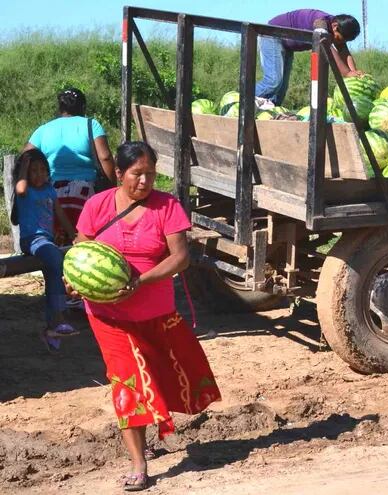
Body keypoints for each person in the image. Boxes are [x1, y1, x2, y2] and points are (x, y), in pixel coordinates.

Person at [66, 141, 221, 491]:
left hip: (156, 311)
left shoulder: (167, 206)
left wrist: (142, 280)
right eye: (137, 174)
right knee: (127, 381)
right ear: (119, 174)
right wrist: (73, 282)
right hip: (107, 314)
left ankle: (150, 434)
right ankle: (139, 463)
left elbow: (180, 257)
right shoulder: (97, 205)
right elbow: (80, 250)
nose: (145, 181)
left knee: (160, 375)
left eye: (151, 173)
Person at [24, 87, 116, 246]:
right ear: (83, 107)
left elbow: (26, 156)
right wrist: (111, 190)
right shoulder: (91, 125)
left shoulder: (44, 129)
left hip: (52, 191)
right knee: (84, 240)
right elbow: (105, 157)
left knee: (56, 240)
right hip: (84, 192)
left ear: (60, 108)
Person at [12, 149, 79, 352]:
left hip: (46, 241)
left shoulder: (49, 189)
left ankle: (53, 327)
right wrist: (23, 167)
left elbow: (60, 214)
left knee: (52, 273)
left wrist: (75, 236)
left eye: (42, 169)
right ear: (25, 173)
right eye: (34, 171)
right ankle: (59, 316)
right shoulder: (25, 191)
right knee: (54, 259)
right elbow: (21, 189)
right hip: (31, 240)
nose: (39, 174)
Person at [256, 9, 364, 105]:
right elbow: (327, 47)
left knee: (280, 93)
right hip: (271, 35)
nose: (338, 42)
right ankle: (241, 99)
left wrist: (354, 73)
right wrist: (347, 73)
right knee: (273, 82)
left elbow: (343, 51)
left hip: (286, 45)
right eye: (339, 39)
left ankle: (268, 113)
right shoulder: (321, 22)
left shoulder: (336, 29)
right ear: (335, 26)